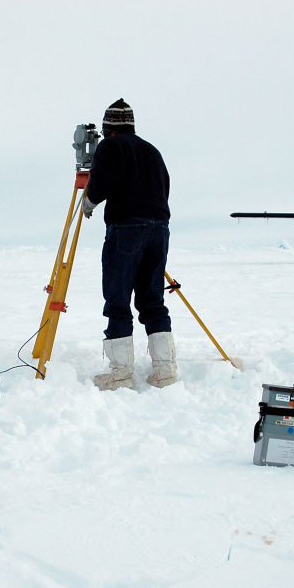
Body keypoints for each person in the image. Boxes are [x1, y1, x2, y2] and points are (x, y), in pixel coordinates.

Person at [82, 98, 177, 390]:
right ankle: (165, 372)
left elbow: (102, 180)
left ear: (108, 127)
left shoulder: (110, 148)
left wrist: (89, 200)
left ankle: (121, 374)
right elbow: (165, 186)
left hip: (126, 228)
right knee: (152, 300)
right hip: (159, 229)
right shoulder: (152, 150)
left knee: (118, 298)